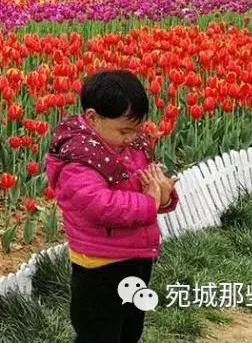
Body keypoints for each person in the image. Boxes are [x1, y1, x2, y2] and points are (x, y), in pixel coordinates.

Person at [46, 71, 179, 343]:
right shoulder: (78, 161)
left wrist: (164, 194)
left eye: (136, 129)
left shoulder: (133, 148)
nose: (131, 137)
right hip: (99, 265)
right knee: (99, 333)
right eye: (124, 130)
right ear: (93, 118)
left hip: (138, 256)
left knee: (130, 330)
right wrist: (151, 202)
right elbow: (102, 206)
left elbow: (147, 187)